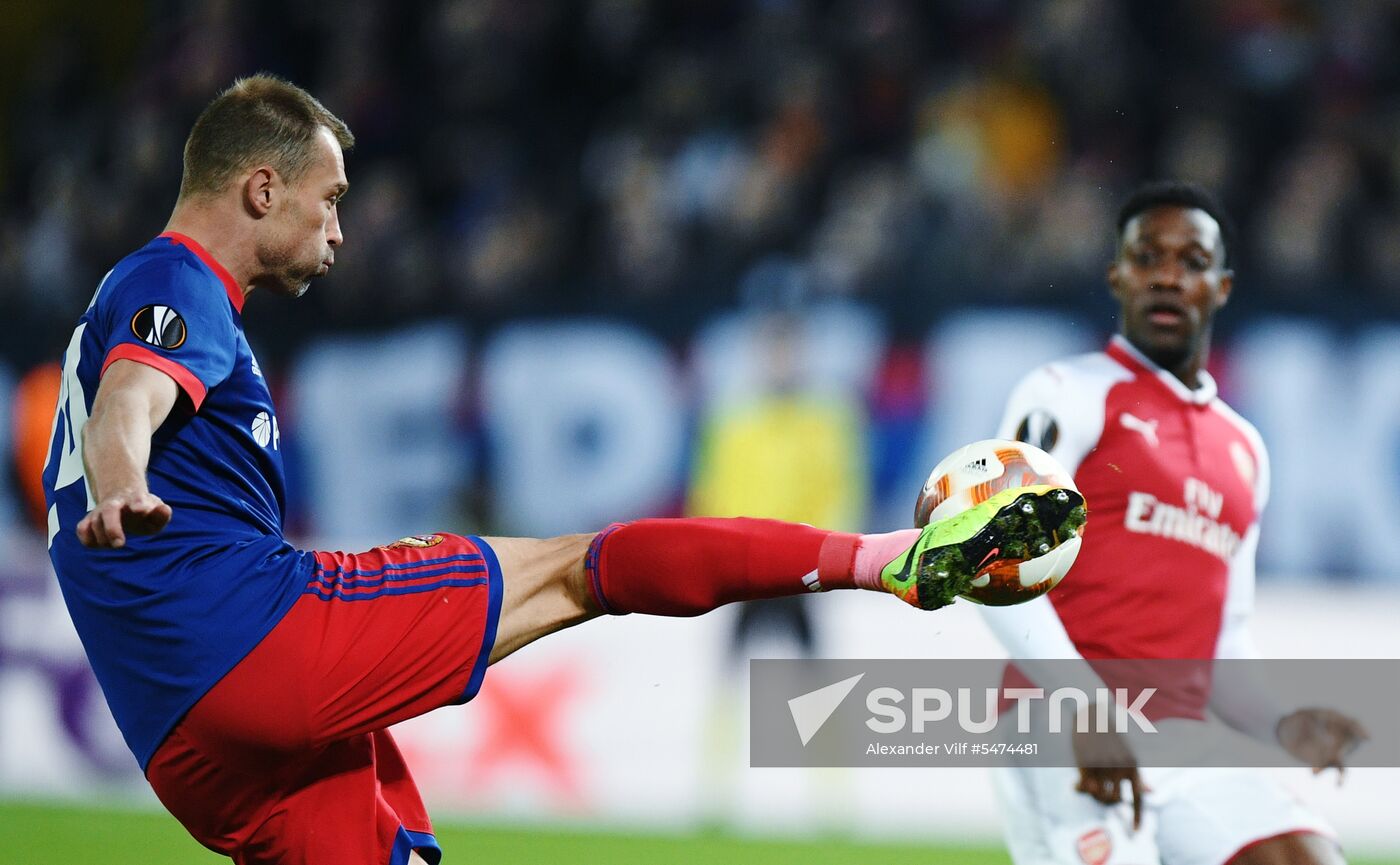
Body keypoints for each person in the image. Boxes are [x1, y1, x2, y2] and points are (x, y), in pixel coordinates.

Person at [40, 74, 1083, 865]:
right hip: (256, 642)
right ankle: (886, 561)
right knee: (584, 568)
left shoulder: (141, 300)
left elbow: (126, 392)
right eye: (329, 198)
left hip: (181, 742)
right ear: (261, 187)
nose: (341, 227)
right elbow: (135, 395)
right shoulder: (177, 280)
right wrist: (125, 476)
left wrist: (125, 478)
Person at [982, 181, 1366, 865]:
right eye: (1147, 256)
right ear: (1116, 275)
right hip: (1057, 717)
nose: (1167, 275)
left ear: (1220, 286)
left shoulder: (1245, 449)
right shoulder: (1067, 394)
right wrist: (1084, 708)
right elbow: (996, 560)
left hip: (1185, 736)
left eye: (1190, 261)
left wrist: (1283, 722)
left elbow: (1224, 642)